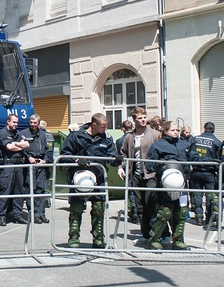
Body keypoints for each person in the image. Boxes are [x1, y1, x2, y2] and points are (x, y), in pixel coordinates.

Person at [60, 113, 116, 248]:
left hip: (99, 177)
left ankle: (98, 239)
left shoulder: (107, 138)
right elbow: (64, 155)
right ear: (94, 124)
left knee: (99, 209)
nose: (105, 129)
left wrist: (116, 160)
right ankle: (73, 238)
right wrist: (76, 160)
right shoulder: (75, 136)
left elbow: (111, 156)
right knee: (76, 208)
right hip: (79, 177)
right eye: (103, 127)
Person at [117, 107, 162, 241]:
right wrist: (121, 167)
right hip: (136, 175)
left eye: (144, 117)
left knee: (152, 203)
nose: (143, 120)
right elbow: (123, 153)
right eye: (139, 118)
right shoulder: (129, 137)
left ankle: (158, 233)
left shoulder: (154, 134)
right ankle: (145, 233)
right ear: (134, 120)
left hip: (151, 174)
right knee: (140, 205)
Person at [144, 121, 190, 250]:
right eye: (173, 130)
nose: (175, 132)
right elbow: (149, 164)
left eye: (177, 130)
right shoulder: (158, 146)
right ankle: (155, 239)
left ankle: (178, 240)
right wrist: (161, 165)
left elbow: (194, 158)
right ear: (165, 131)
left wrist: (209, 161)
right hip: (165, 184)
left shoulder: (184, 144)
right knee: (165, 212)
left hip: (182, 184)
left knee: (181, 212)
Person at [0, 114, 30, 226]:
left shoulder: (18, 133)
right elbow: (9, 147)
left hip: (19, 165)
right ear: (8, 122)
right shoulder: (2, 133)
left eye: (17, 122)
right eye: (14, 122)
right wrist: (19, 145)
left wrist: (14, 144)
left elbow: (27, 144)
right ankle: (1, 216)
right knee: (5, 191)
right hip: (7, 165)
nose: (16, 124)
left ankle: (18, 215)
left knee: (19, 191)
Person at [187, 121, 222, 228]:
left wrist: (199, 160)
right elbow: (218, 160)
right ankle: (208, 218)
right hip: (209, 173)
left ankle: (198, 217)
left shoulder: (195, 139)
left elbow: (190, 154)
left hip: (196, 171)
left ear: (204, 128)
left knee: (197, 195)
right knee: (210, 197)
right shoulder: (217, 142)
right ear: (214, 130)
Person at [20, 114, 53, 224]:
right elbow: (21, 150)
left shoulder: (43, 135)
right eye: (31, 122)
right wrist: (28, 157)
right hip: (30, 165)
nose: (33, 125)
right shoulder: (23, 134)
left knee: (41, 189)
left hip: (41, 165)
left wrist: (45, 160)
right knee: (31, 189)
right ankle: (34, 214)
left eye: (35, 123)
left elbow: (48, 150)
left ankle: (41, 214)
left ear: (39, 123)